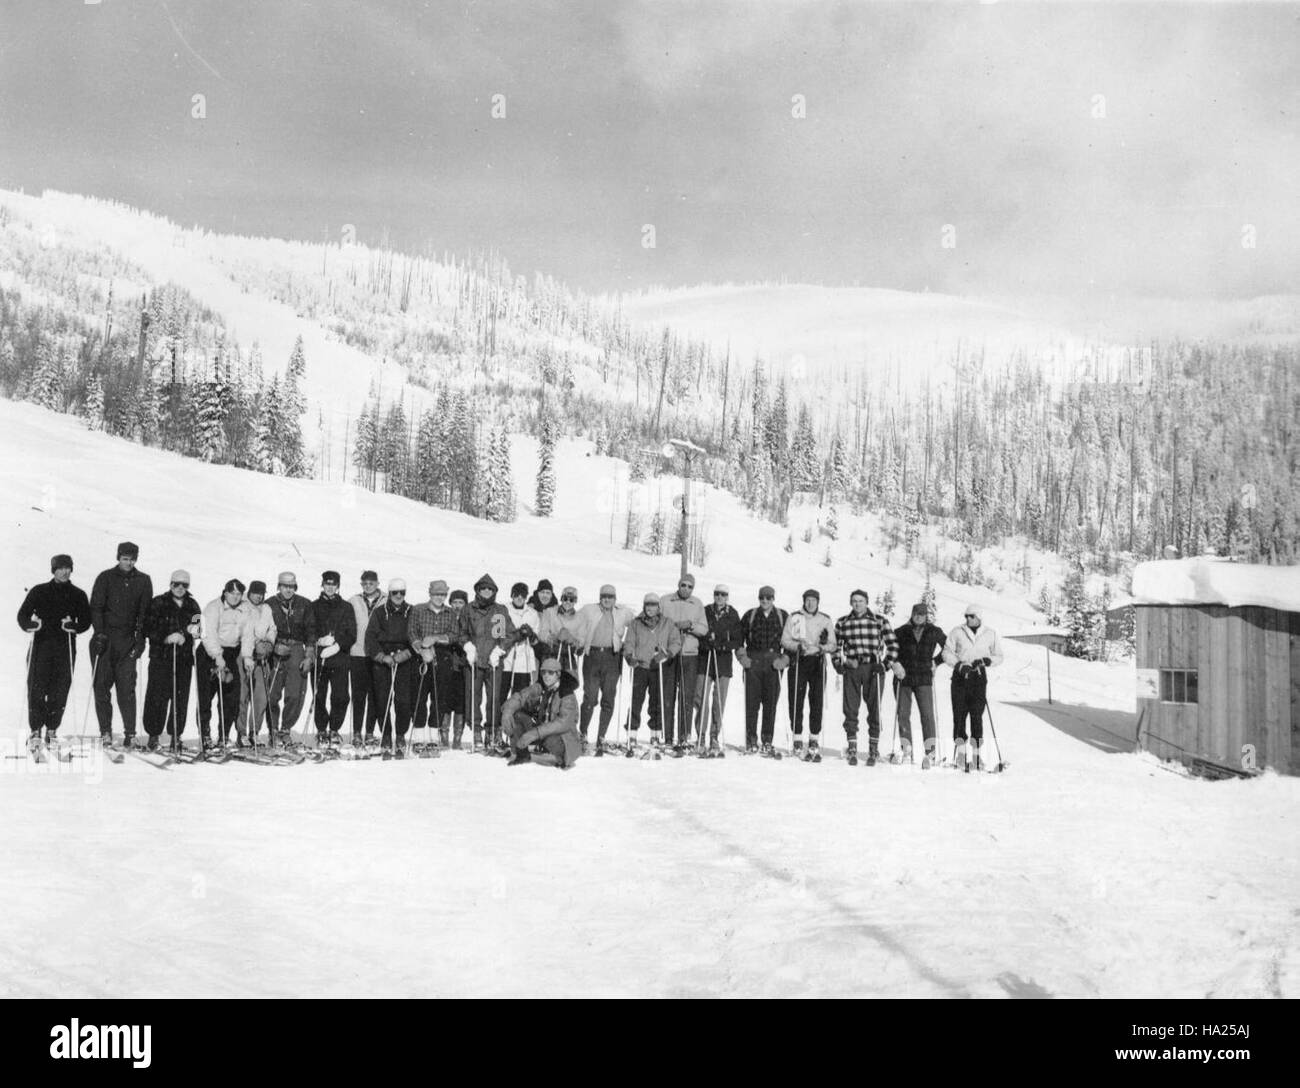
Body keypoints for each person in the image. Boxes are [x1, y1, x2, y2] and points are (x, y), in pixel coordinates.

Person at [16, 553, 92, 753]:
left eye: (68, 568)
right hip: (41, 646)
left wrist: (73, 626)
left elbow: (86, 620)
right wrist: (32, 624)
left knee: (60, 689)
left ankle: (51, 730)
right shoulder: (39, 591)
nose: (64, 572)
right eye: (60, 568)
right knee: (37, 688)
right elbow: (22, 615)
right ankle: (35, 731)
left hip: (64, 647)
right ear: (53, 570)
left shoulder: (78, 594)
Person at [89, 541, 153, 747]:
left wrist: (140, 639)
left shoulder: (143, 580)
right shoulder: (105, 577)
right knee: (102, 687)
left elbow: (145, 613)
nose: (128, 562)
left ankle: (130, 733)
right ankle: (105, 731)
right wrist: (99, 633)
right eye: (125, 558)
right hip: (105, 639)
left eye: (132, 559)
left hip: (127, 641)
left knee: (127, 689)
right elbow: (96, 607)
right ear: (118, 558)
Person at [833, 589, 903, 765]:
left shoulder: (879, 621)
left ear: (867, 602)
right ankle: (852, 746)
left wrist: (885, 664)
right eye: (854, 601)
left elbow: (893, 645)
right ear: (851, 603)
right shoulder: (843, 622)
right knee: (850, 707)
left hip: (873, 667)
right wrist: (838, 664)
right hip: (853, 666)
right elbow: (835, 646)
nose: (857, 604)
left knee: (874, 707)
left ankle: (873, 747)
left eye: (861, 601)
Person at [142, 570, 202, 751]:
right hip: (161, 657)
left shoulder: (192, 605)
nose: (180, 588)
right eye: (176, 584)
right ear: (170, 584)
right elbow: (148, 628)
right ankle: (153, 735)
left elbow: (198, 629)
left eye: (184, 585)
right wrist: (166, 637)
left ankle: (176, 734)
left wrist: (189, 632)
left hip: (183, 659)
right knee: (157, 696)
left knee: (180, 698)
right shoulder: (158, 602)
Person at [456, 573, 516, 751]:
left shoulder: (500, 610)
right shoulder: (468, 609)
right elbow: (462, 632)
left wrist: (500, 650)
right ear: (477, 590)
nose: (487, 591)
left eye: (490, 589)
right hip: (474, 661)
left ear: (495, 591)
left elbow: (509, 633)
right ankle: (476, 730)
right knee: (473, 696)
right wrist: (467, 646)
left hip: (493, 661)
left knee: (495, 697)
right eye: (483, 588)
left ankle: (493, 730)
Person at [570, 584, 633, 750]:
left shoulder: (622, 612)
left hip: (613, 657)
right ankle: (583, 733)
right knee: (590, 697)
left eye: (610, 597)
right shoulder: (589, 610)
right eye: (604, 596)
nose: (607, 599)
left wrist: (629, 646)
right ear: (600, 597)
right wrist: (579, 642)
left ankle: (601, 737)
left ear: (615, 599)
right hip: (593, 656)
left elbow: (637, 625)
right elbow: (574, 621)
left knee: (608, 698)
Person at [942, 604, 1004, 769]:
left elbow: (999, 656)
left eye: (971, 616)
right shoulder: (957, 631)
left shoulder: (990, 633)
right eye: (966, 616)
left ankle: (977, 757)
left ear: (979, 617)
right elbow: (946, 652)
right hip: (960, 677)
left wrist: (986, 661)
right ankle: (961, 755)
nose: (968, 619)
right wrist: (958, 665)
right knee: (959, 716)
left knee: (977, 716)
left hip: (978, 678)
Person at [622, 592, 682, 756]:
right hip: (641, 666)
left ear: (658, 607)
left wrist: (668, 653)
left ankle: (655, 733)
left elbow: (676, 641)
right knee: (636, 700)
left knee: (657, 702)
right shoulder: (636, 623)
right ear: (644, 606)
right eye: (648, 605)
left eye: (653, 605)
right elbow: (629, 642)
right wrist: (629, 656)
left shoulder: (667, 623)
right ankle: (632, 733)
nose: (650, 608)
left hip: (658, 667)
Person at [780, 588, 836, 760]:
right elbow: (784, 640)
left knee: (816, 700)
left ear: (818, 602)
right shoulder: (795, 617)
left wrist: (822, 647)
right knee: (796, 699)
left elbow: (833, 644)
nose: (810, 603)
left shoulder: (825, 619)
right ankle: (797, 738)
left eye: (814, 600)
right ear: (804, 601)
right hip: (799, 660)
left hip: (817, 661)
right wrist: (797, 646)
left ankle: (813, 739)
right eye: (808, 600)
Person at [197, 579, 250, 750]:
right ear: (225, 592)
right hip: (209, 653)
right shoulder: (213, 608)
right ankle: (205, 734)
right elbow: (207, 633)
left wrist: (247, 656)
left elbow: (248, 635)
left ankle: (224, 735)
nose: (235, 597)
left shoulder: (245, 609)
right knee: (206, 695)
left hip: (231, 653)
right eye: (232, 593)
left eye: (238, 594)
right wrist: (217, 656)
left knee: (230, 697)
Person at [893, 603, 947, 768]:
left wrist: (936, 662)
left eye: (922, 614)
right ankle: (906, 749)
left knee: (927, 716)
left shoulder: (934, 631)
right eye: (916, 613)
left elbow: (949, 647)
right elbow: (890, 651)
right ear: (912, 614)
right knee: (903, 714)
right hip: (904, 677)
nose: (918, 616)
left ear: (926, 615)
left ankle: (930, 752)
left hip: (924, 677)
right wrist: (895, 664)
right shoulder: (900, 631)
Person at [501, 657, 581, 769]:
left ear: (558, 674)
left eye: (551, 672)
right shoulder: (540, 687)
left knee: (550, 738)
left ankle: (562, 759)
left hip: (563, 738)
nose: (546, 676)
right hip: (542, 729)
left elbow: (563, 723)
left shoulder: (567, 693)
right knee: (517, 716)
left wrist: (534, 733)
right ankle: (521, 754)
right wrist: (507, 712)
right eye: (543, 672)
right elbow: (520, 697)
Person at [659, 573, 708, 753]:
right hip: (670, 653)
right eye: (683, 585)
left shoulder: (697, 604)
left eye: (690, 586)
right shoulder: (666, 601)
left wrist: (690, 625)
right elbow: (658, 623)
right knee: (668, 695)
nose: (686, 589)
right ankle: (668, 736)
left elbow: (704, 628)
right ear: (678, 585)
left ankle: (684, 735)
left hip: (689, 654)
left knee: (686, 696)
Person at [366, 578, 416, 756]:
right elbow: (370, 638)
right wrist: (381, 657)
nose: (399, 596)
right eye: (395, 592)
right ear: (390, 593)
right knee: (382, 699)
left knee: (403, 700)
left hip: (404, 659)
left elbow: (416, 636)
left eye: (402, 592)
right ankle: (386, 734)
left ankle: (401, 733)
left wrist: (407, 653)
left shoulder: (411, 611)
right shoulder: (380, 612)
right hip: (384, 659)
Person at [737, 586, 788, 757]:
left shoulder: (782, 616)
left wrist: (785, 660)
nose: (765, 601)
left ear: (773, 598)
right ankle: (751, 740)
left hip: (774, 664)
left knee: (770, 703)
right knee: (752, 704)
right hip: (754, 662)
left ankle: (767, 740)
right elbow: (738, 639)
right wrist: (743, 657)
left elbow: (790, 641)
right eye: (762, 598)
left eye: (768, 597)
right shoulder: (750, 615)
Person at [408, 579, 460, 746]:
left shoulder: (450, 613)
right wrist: (421, 648)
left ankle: (433, 735)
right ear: (430, 594)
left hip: (443, 657)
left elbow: (454, 635)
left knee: (440, 697)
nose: (439, 597)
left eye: (443, 594)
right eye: (437, 594)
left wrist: (436, 638)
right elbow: (411, 632)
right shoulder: (418, 610)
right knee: (419, 697)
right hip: (422, 657)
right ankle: (418, 736)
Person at [266, 571, 315, 744]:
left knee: (295, 693)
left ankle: (285, 728)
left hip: (296, 648)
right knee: (272, 693)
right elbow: (263, 630)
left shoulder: (304, 604)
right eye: (285, 586)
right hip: (276, 648)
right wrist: (272, 647)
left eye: (291, 586)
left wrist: (309, 656)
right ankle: (272, 729)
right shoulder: (269, 604)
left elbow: (311, 632)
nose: (288, 589)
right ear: (279, 586)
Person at [312, 571, 356, 745]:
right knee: (319, 695)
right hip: (321, 657)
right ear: (322, 584)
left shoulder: (346, 607)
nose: (330, 587)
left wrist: (338, 644)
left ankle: (334, 729)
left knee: (341, 696)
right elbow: (309, 628)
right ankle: (322, 729)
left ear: (338, 586)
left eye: (333, 584)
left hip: (340, 658)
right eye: (327, 583)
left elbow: (352, 633)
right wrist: (319, 640)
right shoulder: (314, 606)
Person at [695, 584, 741, 756]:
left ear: (727, 596)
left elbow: (737, 639)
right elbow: (699, 631)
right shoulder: (705, 610)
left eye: (723, 594)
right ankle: (700, 734)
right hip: (705, 659)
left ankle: (714, 735)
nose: (720, 597)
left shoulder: (733, 614)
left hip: (723, 662)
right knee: (701, 697)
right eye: (717, 594)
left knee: (718, 700)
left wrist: (723, 645)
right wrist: (706, 641)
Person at [238, 580, 276, 745]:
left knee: (260, 695)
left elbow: (272, 628)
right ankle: (241, 733)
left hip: (261, 657)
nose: (258, 596)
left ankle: (255, 731)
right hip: (244, 654)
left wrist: (268, 643)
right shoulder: (242, 606)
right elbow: (241, 630)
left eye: (261, 593)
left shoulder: (266, 609)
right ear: (249, 593)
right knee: (243, 694)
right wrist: (255, 644)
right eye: (255, 592)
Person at [348, 571, 383, 744]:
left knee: (375, 694)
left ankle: (369, 732)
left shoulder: (386, 599)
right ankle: (356, 732)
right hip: (358, 653)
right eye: (365, 583)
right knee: (358, 694)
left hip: (377, 654)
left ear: (377, 583)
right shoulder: (354, 600)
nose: (368, 586)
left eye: (371, 583)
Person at [502, 581, 541, 700]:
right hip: (507, 660)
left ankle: (515, 718)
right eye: (516, 594)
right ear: (512, 595)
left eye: (523, 595)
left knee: (519, 697)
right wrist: (516, 634)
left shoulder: (532, 613)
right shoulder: (503, 610)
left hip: (524, 661)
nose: (519, 598)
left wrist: (531, 635)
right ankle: (499, 718)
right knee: (501, 694)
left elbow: (536, 638)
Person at [542, 585, 583, 679]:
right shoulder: (550, 612)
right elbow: (542, 632)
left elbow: (581, 639)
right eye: (565, 598)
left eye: (571, 600)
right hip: (551, 655)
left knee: (568, 685)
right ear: (561, 598)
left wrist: (572, 640)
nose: (568, 602)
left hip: (568, 658)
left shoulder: (579, 618)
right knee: (551, 683)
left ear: (575, 601)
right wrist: (553, 638)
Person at [527, 578, 559, 660]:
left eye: (548, 593)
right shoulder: (529, 609)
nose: (545, 595)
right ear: (537, 593)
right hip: (531, 647)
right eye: (542, 592)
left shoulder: (556, 610)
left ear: (551, 594)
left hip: (549, 648)